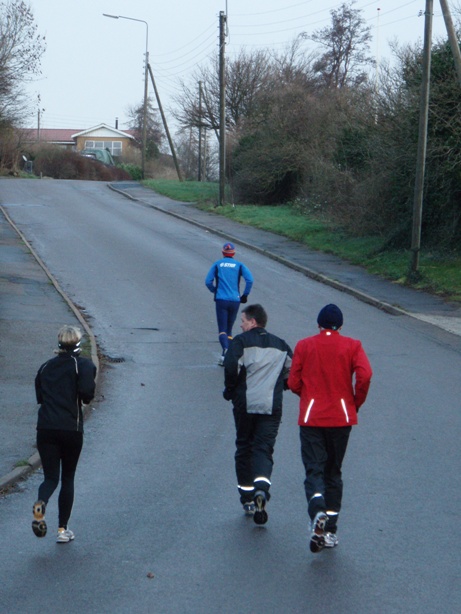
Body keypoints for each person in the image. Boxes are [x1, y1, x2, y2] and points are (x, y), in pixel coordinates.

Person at [288, 304, 372, 553]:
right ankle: (330, 530)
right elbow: (365, 375)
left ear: (318, 324)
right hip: (341, 417)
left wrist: (307, 395)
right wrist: (355, 401)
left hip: (312, 418)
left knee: (314, 470)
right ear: (341, 326)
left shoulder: (304, 345)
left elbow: (293, 380)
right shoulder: (352, 345)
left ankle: (317, 511)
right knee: (333, 472)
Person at [223, 304, 292, 525]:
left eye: (242, 321)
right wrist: (282, 386)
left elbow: (231, 365)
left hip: (245, 403)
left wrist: (230, 389)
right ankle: (261, 489)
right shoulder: (281, 345)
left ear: (253, 321)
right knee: (263, 449)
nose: (240, 325)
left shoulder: (241, 342)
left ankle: (248, 498)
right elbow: (293, 370)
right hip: (271, 405)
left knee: (244, 447)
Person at [32, 325, 97, 543]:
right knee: (67, 477)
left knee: (50, 478)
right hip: (71, 429)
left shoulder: (45, 367)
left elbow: (40, 397)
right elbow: (87, 394)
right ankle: (62, 530)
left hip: (45, 429)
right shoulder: (83, 365)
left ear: (59, 343)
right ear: (77, 343)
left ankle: (41, 504)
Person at [205, 242, 254, 365]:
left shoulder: (217, 264)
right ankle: (227, 354)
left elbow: (208, 281)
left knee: (222, 329)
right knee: (229, 329)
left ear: (223, 252)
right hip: (235, 300)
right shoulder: (239, 265)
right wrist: (245, 295)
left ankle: (225, 351)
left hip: (221, 300)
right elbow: (250, 280)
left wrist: (214, 290)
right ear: (234, 253)